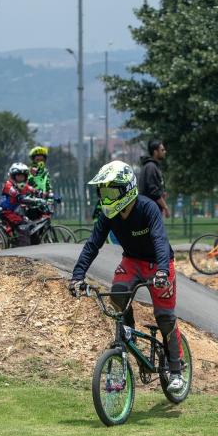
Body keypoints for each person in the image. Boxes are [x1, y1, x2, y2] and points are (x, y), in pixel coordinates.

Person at [69, 160, 185, 394]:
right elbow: (92, 245)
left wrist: (163, 270)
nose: (106, 198)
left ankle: (176, 370)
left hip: (158, 263)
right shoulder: (107, 215)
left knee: (164, 317)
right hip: (131, 261)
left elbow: (160, 241)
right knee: (118, 295)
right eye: (102, 192)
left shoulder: (147, 207)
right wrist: (77, 276)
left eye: (111, 192)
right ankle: (128, 329)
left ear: (127, 189)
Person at [0, 162, 34, 247]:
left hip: (16, 212)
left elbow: (34, 190)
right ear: (13, 176)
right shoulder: (8, 186)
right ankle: (23, 250)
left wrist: (48, 195)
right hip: (6, 212)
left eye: (23, 176)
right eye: (19, 176)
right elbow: (19, 197)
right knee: (23, 226)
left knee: (32, 225)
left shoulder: (23, 185)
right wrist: (34, 200)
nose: (21, 178)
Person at [138, 140, 169, 218]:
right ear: (155, 152)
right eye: (162, 150)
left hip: (153, 211)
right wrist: (166, 207)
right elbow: (153, 191)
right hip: (149, 212)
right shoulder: (150, 167)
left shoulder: (154, 166)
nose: (165, 152)